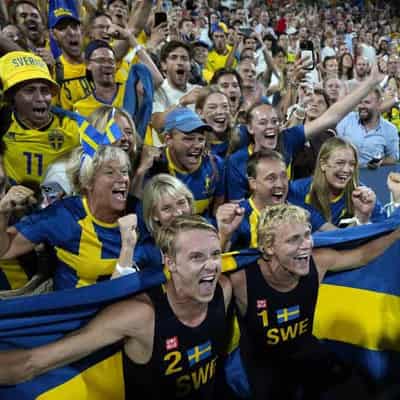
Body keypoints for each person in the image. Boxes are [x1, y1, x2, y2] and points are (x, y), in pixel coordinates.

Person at [0, 215, 233, 400]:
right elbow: (33, 362)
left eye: (215, 254)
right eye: (196, 257)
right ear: (170, 262)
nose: (211, 265)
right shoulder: (140, 316)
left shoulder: (224, 289)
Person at [225, 203, 400, 399]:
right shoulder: (241, 280)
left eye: (307, 234)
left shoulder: (318, 262)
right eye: (293, 240)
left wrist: (396, 233)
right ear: (268, 247)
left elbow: (362, 255)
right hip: (264, 368)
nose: (306, 245)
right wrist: (224, 235)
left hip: (305, 352)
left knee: (358, 389)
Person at [225, 63, 386, 201]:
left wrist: (370, 83)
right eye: (263, 122)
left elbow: (332, 116)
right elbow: (238, 208)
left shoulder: (287, 139)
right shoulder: (236, 162)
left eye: (274, 121)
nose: (271, 127)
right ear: (250, 128)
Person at [0, 145, 138, 290]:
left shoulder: (139, 212)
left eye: (124, 172)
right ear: (88, 182)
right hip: (75, 309)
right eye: (110, 173)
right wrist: (3, 213)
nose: (122, 178)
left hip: (126, 305)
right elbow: (5, 250)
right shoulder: (64, 215)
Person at [0, 51, 80, 190]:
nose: (40, 98)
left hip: (59, 208)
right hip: (12, 205)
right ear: (12, 97)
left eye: (45, 91)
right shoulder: (4, 124)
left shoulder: (73, 127)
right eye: (30, 90)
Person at [288, 137, 386, 230]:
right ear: (323, 164)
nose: (346, 170)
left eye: (352, 164)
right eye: (340, 163)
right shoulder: (297, 190)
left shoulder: (362, 195)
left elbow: (383, 229)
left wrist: (363, 217)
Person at [147, 108, 225, 216]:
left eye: (201, 139)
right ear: (168, 139)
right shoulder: (153, 167)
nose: (197, 145)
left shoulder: (215, 165)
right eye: (188, 139)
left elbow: (218, 209)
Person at [336, 87, 399, 167]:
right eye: (360, 102)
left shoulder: (390, 129)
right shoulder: (347, 119)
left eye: (367, 102)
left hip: (372, 175)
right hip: (345, 173)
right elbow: (333, 146)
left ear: (379, 103)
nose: (362, 106)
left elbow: (393, 158)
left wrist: (381, 162)